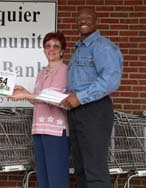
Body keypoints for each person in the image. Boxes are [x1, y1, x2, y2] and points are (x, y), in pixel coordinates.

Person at [61, 8, 123, 188]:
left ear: (96, 20)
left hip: (94, 111)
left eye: (88, 17)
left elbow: (110, 80)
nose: (83, 21)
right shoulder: (79, 49)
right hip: (77, 111)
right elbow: (80, 82)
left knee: (94, 169)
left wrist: (80, 97)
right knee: (80, 169)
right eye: (79, 18)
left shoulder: (102, 46)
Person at [9, 31, 69, 188]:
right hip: (38, 128)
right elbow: (39, 101)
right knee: (43, 178)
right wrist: (26, 93)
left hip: (55, 130)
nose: (52, 49)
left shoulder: (64, 70)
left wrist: (25, 95)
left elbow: (51, 97)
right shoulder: (42, 72)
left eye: (56, 46)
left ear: (62, 50)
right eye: (48, 46)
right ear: (43, 50)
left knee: (57, 179)